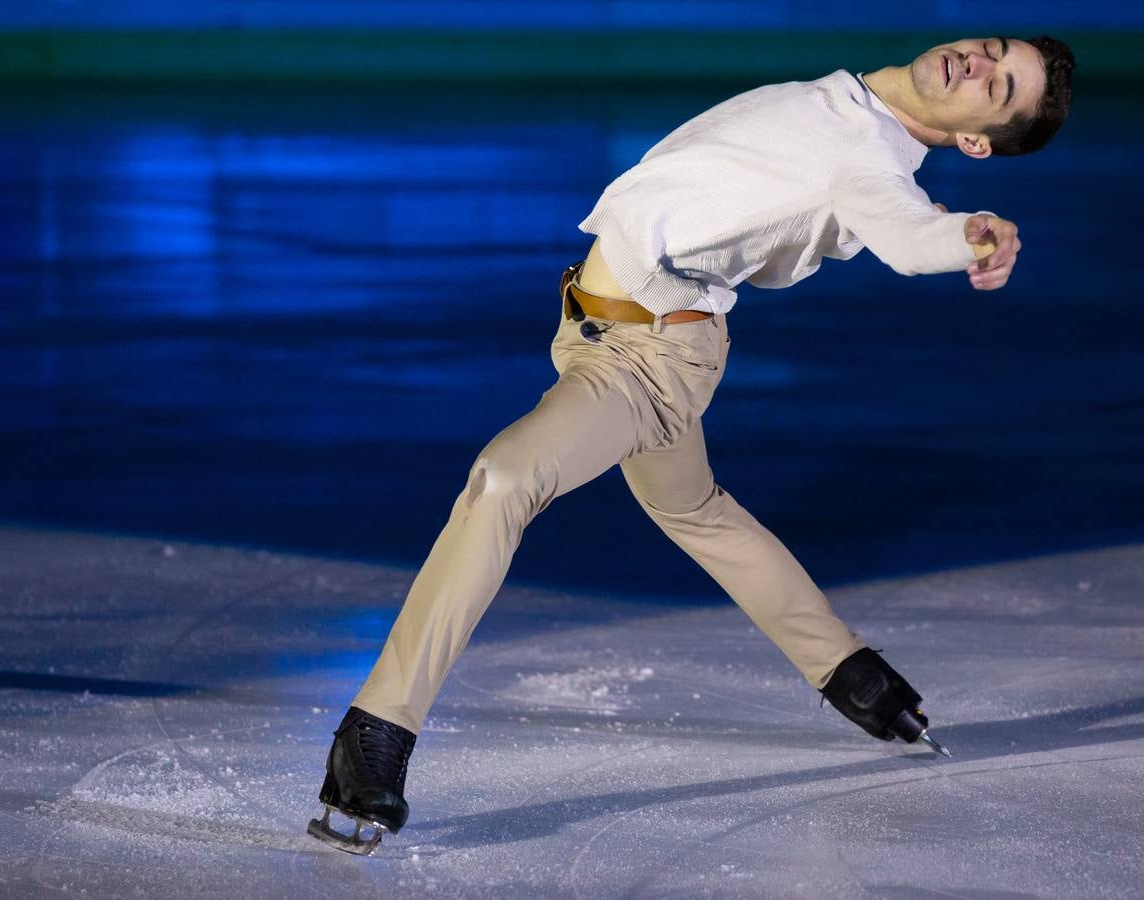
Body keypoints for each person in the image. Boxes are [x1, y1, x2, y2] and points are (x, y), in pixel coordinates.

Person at [306, 34, 1076, 855]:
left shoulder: (869, 161)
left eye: (998, 89)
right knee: (693, 508)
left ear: (972, 140)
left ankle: (376, 733)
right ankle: (857, 677)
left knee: (504, 479)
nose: (977, 65)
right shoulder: (843, 98)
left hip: (649, 363)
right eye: (992, 49)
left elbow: (909, 234)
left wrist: (970, 237)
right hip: (599, 330)